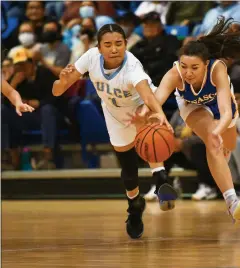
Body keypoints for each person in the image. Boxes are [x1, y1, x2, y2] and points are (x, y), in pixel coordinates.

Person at [52, 24, 178, 239]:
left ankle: (161, 177)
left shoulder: (132, 68)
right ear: (99, 48)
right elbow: (57, 91)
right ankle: (135, 206)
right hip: (115, 115)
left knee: (148, 128)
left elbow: (148, 96)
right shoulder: (90, 57)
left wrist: (160, 115)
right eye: (108, 44)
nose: (114, 49)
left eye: (119, 44)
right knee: (128, 168)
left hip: (141, 108)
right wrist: (62, 81)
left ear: (125, 44)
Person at [137, 17, 240, 223]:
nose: (188, 72)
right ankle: (232, 202)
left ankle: (222, 181)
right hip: (193, 106)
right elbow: (157, 97)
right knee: (213, 144)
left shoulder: (218, 69)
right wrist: (146, 112)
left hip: (223, 109)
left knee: (227, 145)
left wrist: (218, 129)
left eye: (194, 68)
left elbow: (224, 111)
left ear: (206, 64)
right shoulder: (175, 74)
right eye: (184, 66)